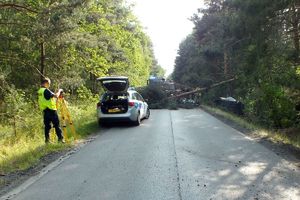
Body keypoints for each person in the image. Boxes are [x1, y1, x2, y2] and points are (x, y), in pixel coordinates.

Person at [38, 77, 64, 143]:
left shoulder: (40, 91)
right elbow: (56, 96)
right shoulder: (45, 90)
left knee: (47, 127)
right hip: (51, 111)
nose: (49, 85)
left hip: (45, 111)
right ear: (46, 83)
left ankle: (47, 141)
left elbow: (48, 97)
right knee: (56, 125)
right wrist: (59, 91)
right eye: (49, 84)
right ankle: (60, 139)